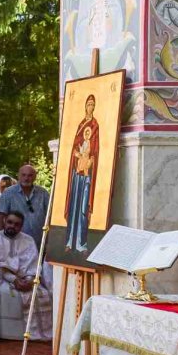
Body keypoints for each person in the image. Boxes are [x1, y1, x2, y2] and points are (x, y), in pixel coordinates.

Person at [0, 211, 53, 341]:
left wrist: (29, 280)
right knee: (7, 294)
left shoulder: (28, 240)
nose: (12, 226)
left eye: (17, 224)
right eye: (10, 222)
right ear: (4, 221)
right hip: (2, 279)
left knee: (42, 294)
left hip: (26, 280)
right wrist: (14, 279)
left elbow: (33, 264)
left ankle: (38, 333)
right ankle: (12, 334)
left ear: (21, 226)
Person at [65, 95, 100, 253]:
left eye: (93, 104)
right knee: (74, 205)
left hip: (86, 176)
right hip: (77, 174)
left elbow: (95, 151)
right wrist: (77, 155)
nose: (90, 107)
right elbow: (74, 147)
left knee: (83, 207)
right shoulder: (81, 125)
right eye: (88, 104)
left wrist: (90, 162)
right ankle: (69, 241)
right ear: (85, 106)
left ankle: (82, 243)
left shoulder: (95, 125)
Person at [0, 163, 49, 249]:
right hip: (14, 243)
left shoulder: (43, 194)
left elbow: (50, 217)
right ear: (18, 176)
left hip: (38, 244)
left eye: (30, 175)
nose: (26, 178)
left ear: (35, 177)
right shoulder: (8, 193)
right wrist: (2, 239)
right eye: (23, 175)